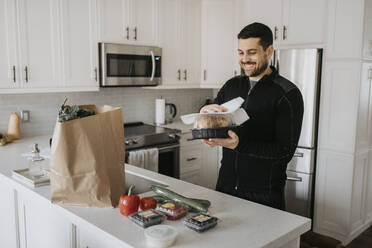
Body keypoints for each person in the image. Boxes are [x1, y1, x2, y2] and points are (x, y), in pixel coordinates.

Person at [200, 22, 304, 210]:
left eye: (252, 52)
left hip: (264, 193)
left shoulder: (288, 94)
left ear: (269, 51)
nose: (245, 59)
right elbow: (214, 119)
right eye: (240, 52)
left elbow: (284, 152)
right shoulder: (231, 85)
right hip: (226, 186)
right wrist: (206, 120)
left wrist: (239, 145)